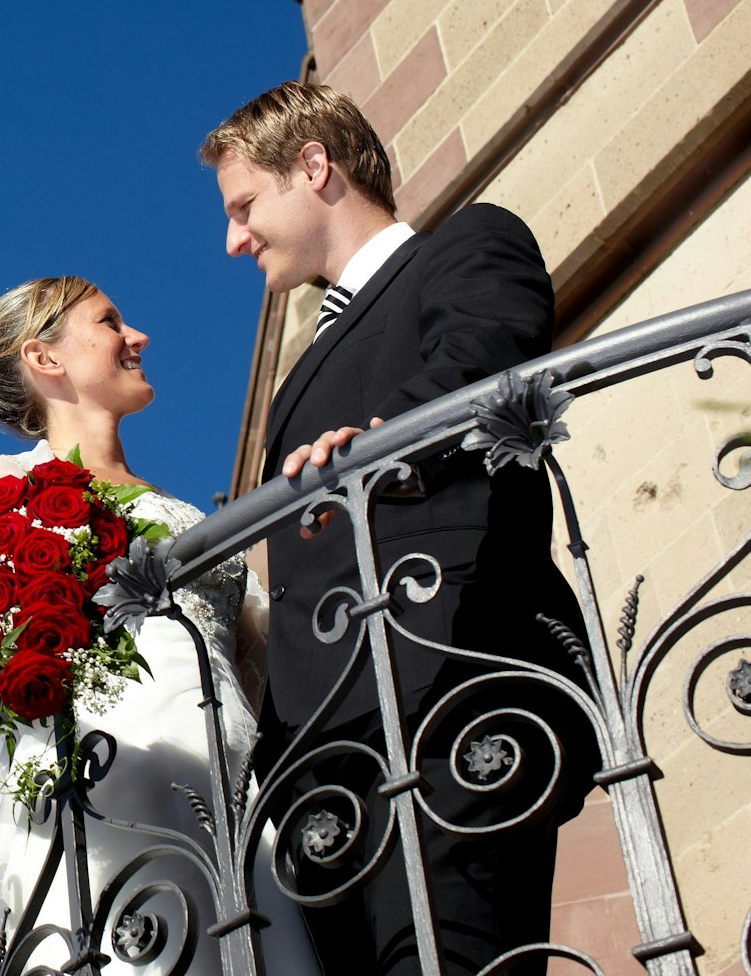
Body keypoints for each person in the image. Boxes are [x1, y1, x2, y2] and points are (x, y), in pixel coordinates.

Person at [202, 81, 591, 975]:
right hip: (329, 768)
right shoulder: (296, 380)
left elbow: (486, 352)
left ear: (314, 166)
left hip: (450, 691)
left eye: (245, 206)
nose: (233, 238)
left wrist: (389, 437)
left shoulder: (467, 245)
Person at [0, 276, 318, 975]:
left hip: (226, 787)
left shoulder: (197, 520)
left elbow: (258, 669)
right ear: (45, 359)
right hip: (109, 783)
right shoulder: (5, 484)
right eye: (109, 321)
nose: (136, 336)